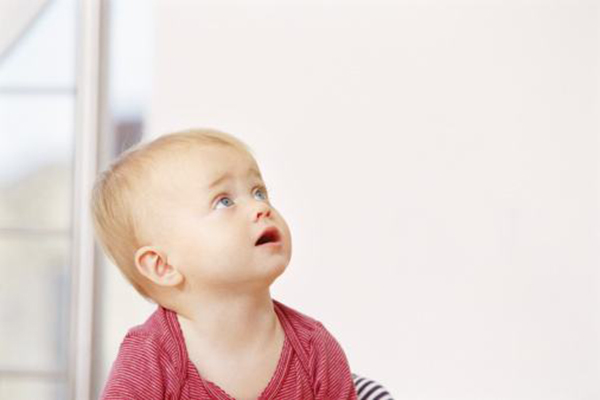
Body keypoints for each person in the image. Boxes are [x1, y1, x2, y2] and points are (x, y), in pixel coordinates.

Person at [91, 128, 358, 399]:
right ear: (163, 266)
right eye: (224, 202)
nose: (260, 208)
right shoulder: (149, 359)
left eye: (259, 193)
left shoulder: (314, 348)